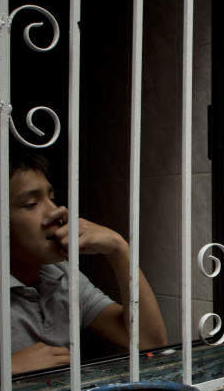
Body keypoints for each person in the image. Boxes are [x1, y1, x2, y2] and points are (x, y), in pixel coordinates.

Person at [9, 151, 167, 374]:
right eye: (31, 203)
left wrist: (119, 249)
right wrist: (6, 368)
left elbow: (150, 341)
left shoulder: (62, 275)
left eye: (51, 198)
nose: (55, 212)